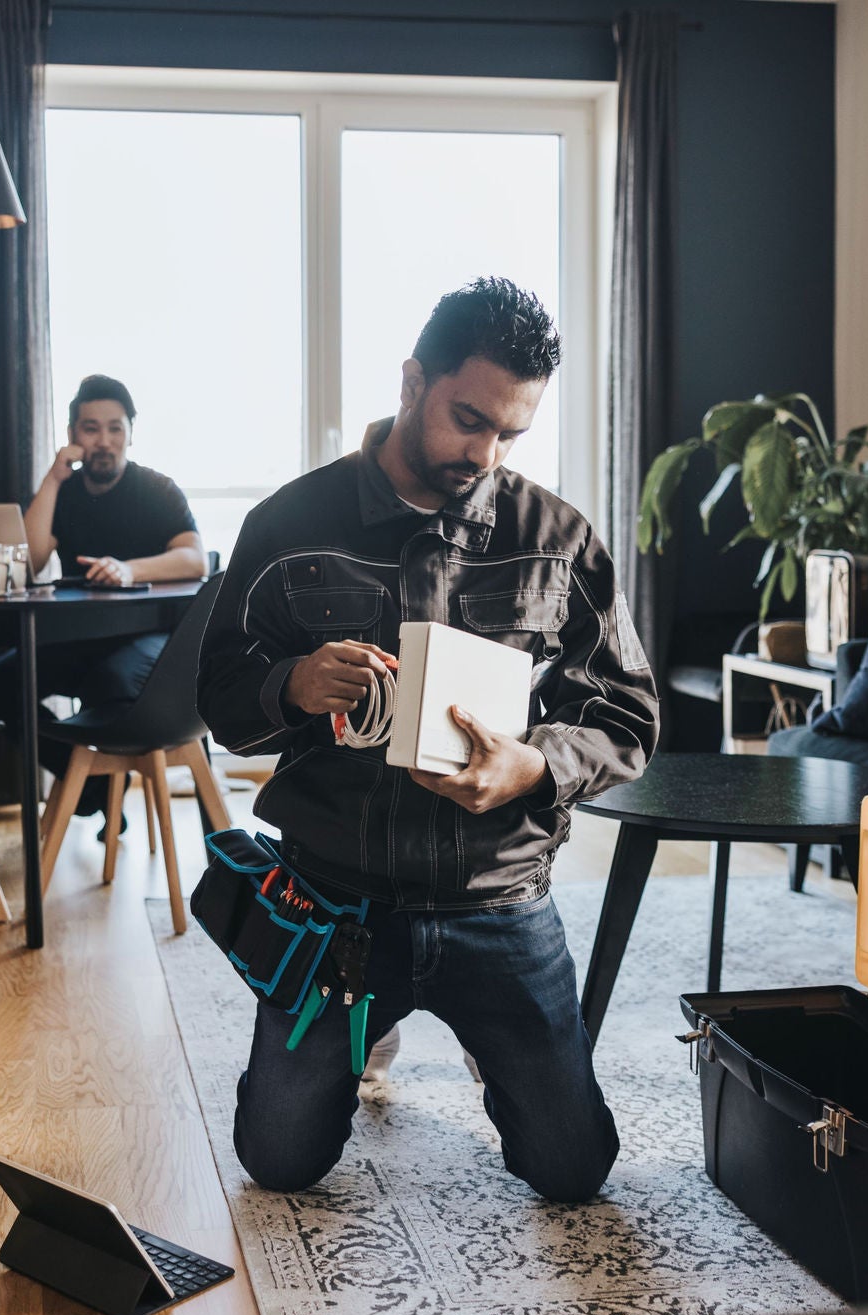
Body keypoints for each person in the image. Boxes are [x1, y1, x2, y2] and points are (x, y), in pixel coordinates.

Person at [196, 278, 660, 1203]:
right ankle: (366, 1023)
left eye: (511, 434)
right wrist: (288, 685)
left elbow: (628, 716)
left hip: (499, 896)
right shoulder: (287, 526)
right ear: (412, 383)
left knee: (574, 1172)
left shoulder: (558, 539)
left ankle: (485, 1039)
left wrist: (534, 765)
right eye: (468, 419)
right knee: (279, 1163)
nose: (485, 452)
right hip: (335, 906)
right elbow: (219, 701)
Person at [0, 374, 208, 821]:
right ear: (73, 436)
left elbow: (195, 559)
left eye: (115, 428)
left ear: (130, 434)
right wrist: (53, 478)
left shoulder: (157, 489)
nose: (104, 440)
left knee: (110, 684)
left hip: (153, 639)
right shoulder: (63, 493)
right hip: (82, 639)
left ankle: (96, 786)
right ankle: (90, 788)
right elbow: (27, 560)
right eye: (91, 428)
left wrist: (128, 569)